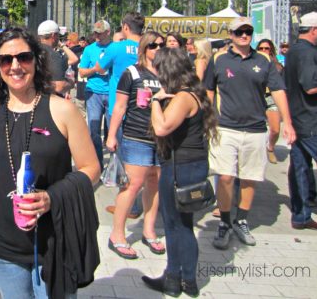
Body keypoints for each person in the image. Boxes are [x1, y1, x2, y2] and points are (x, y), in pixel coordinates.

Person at [0, 27, 100, 298]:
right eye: (6, 60)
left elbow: (91, 168)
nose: (15, 66)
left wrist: (51, 197)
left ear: (36, 60)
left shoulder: (62, 109)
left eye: (23, 57)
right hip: (3, 245)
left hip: (54, 242)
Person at [204, 17, 296, 249]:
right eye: (239, 32)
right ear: (231, 34)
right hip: (225, 127)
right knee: (225, 177)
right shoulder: (219, 59)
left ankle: (241, 219)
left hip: (255, 128)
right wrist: (207, 119)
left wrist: (289, 124)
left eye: (248, 31)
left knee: (250, 177)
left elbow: (278, 91)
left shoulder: (264, 60)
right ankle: (225, 221)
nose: (244, 35)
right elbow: (208, 90)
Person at [141, 47, 218, 297]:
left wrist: (154, 100)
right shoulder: (193, 93)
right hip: (193, 164)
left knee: (176, 225)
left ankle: (176, 279)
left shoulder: (183, 97)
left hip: (180, 167)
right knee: (185, 224)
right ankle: (186, 280)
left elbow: (162, 127)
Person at [106, 31, 165, 259]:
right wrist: (111, 135)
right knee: (133, 184)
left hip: (161, 136)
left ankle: (149, 231)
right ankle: (117, 235)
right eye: (153, 45)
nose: (157, 49)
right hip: (136, 135)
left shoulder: (168, 74)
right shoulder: (132, 72)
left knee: (155, 183)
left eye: (161, 45)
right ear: (143, 49)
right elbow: (120, 107)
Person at [97, 12, 144, 218]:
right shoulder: (149, 46)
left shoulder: (116, 48)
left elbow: (100, 68)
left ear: (125, 27)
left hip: (121, 108)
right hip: (144, 109)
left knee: (124, 159)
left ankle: (129, 205)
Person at [285, 12, 317, 229]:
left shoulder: (295, 50)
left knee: (300, 167)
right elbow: (310, 86)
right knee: (300, 167)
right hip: (310, 119)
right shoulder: (307, 53)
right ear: (315, 30)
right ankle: (301, 214)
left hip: (298, 118)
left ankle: (301, 215)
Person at [78, 20, 113, 169]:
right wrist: (96, 69)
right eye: (95, 32)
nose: (96, 35)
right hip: (93, 93)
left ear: (108, 32)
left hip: (112, 92)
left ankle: (114, 166)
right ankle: (98, 165)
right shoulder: (89, 49)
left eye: (100, 32)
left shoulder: (115, 48)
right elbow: (81, 71)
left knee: (113, 131)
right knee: (94, 130)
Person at [256, 39, 284, 164]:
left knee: (275, 129)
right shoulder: (253, 62)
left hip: (271, 97)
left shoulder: (277, 65)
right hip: (256, 97)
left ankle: (270, 148)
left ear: (271, 49)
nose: (263, 51)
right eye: (261, 48)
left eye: (266, 48)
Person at [37, 20, 78, 97]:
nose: (59, 38)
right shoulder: (53, 55)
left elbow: (74, 59)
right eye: (58, 35)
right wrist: (71, 83)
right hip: (50, 100)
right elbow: (59, 87)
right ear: (53, 35)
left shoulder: (33, 50)